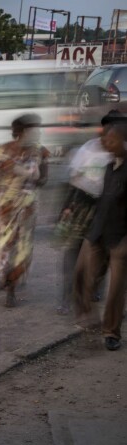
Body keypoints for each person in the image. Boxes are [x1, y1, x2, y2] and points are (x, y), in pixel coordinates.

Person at [0, 114, 50, 308]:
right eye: (34, 129)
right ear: (22, 132)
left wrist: (34, 175)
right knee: (5, 246)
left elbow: (44, 179)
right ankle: (5, 279)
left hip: (26, 210)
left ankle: (11, 288)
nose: (38, 132)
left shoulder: (41, 152)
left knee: (22, 250)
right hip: (3, 209)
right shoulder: (3, 151)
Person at [54, 111, 119, 314]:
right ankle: (67, 296)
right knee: (73, 253)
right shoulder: (87, 149)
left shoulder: (120, 152)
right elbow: (71, 181)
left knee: (103, 255)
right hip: (82, 208)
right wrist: (64, 208)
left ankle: (95, 288)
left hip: (107, 211)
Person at [74, 119, 127, 351]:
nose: (106, 143)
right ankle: (88, 318)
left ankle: (111, 333)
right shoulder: (108, 167)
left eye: (111, 140)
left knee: (116, 288)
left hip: (121, 238)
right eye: (105, 139)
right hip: (97, 232)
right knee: (80, 275)